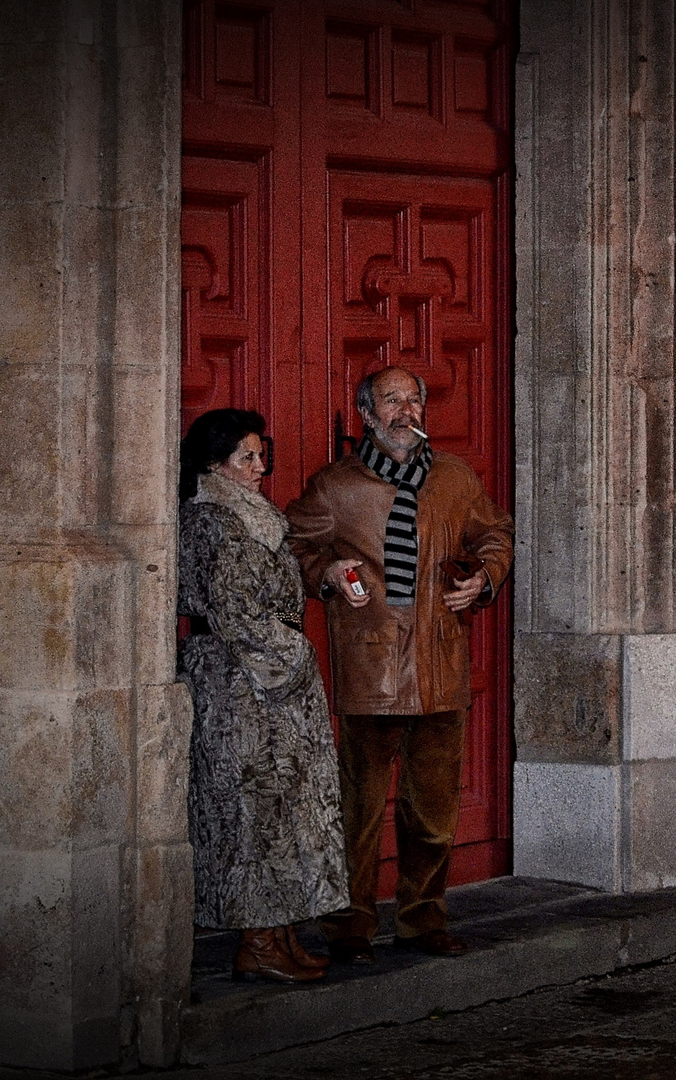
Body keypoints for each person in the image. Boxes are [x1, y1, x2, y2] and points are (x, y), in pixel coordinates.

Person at [286, 366, 514, 962]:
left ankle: (421, 918)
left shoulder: (455, 478)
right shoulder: (337, 486)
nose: (406, 411)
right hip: (371, 668)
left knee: (433, 811)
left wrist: (485, 579)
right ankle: (350, 926)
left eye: (414, 399)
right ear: (367, 413)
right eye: (392, 400)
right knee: (357, 809)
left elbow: (495, 534)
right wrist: (327, 573)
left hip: (441, 665)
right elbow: (292, 545)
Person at [178, 408, 350, 983]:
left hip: (273, 686)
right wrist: (293, 656)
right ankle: (256, 939)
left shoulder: (255, 514)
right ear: (213, 464)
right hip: (236, 686)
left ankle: (277, 932)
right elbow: (234, 610)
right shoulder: (209, 520)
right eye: (246, 457)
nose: (259, 467)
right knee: (249, 807)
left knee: (283, 806)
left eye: (261, 455)